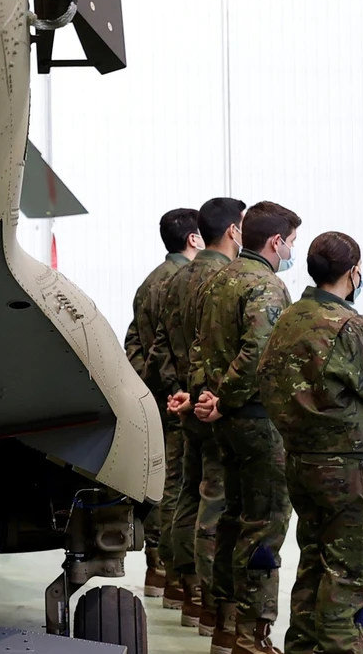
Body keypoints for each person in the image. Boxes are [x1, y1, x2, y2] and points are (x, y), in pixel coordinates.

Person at [260, 232, 363, 654]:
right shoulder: (350, 327)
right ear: (352, 272)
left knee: (313, 564)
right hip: (348, 470)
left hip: (300, 462)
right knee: (350, 576)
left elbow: (267, 384)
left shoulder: (288, 318)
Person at [190, 201, 302, 654]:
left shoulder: (217, 278)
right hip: (256, 422)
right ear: (276, 242)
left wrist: (207, 397)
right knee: (265, 524)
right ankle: (251, 634)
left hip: (225, 423)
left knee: (232, 519)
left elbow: (199, 344)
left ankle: (224, 621)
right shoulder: (267, 286)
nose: (291, 249)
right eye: (291, 242)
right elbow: (258, 352)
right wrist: (228, 398)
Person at [151, 196, 244, 635]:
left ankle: (183, 588)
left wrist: (178, 391)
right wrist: (211, 396)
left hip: (188, 401)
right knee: (216, 501)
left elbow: (160, 347)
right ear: (231, 230)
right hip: (215, 407)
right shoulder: (227, 280)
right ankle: (213, 605)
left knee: (186, 491)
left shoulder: (175, 280)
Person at [125, 207, 203, 599]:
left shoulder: (150, 282)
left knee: (163, 481)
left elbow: (135, 346)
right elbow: (168, 347)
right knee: (183, 484)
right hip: (182, 398)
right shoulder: (186, 283)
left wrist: (150, 388)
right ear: (193, 238)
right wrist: (175, 388)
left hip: (159, 397)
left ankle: (157, 566)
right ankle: (178, 572)